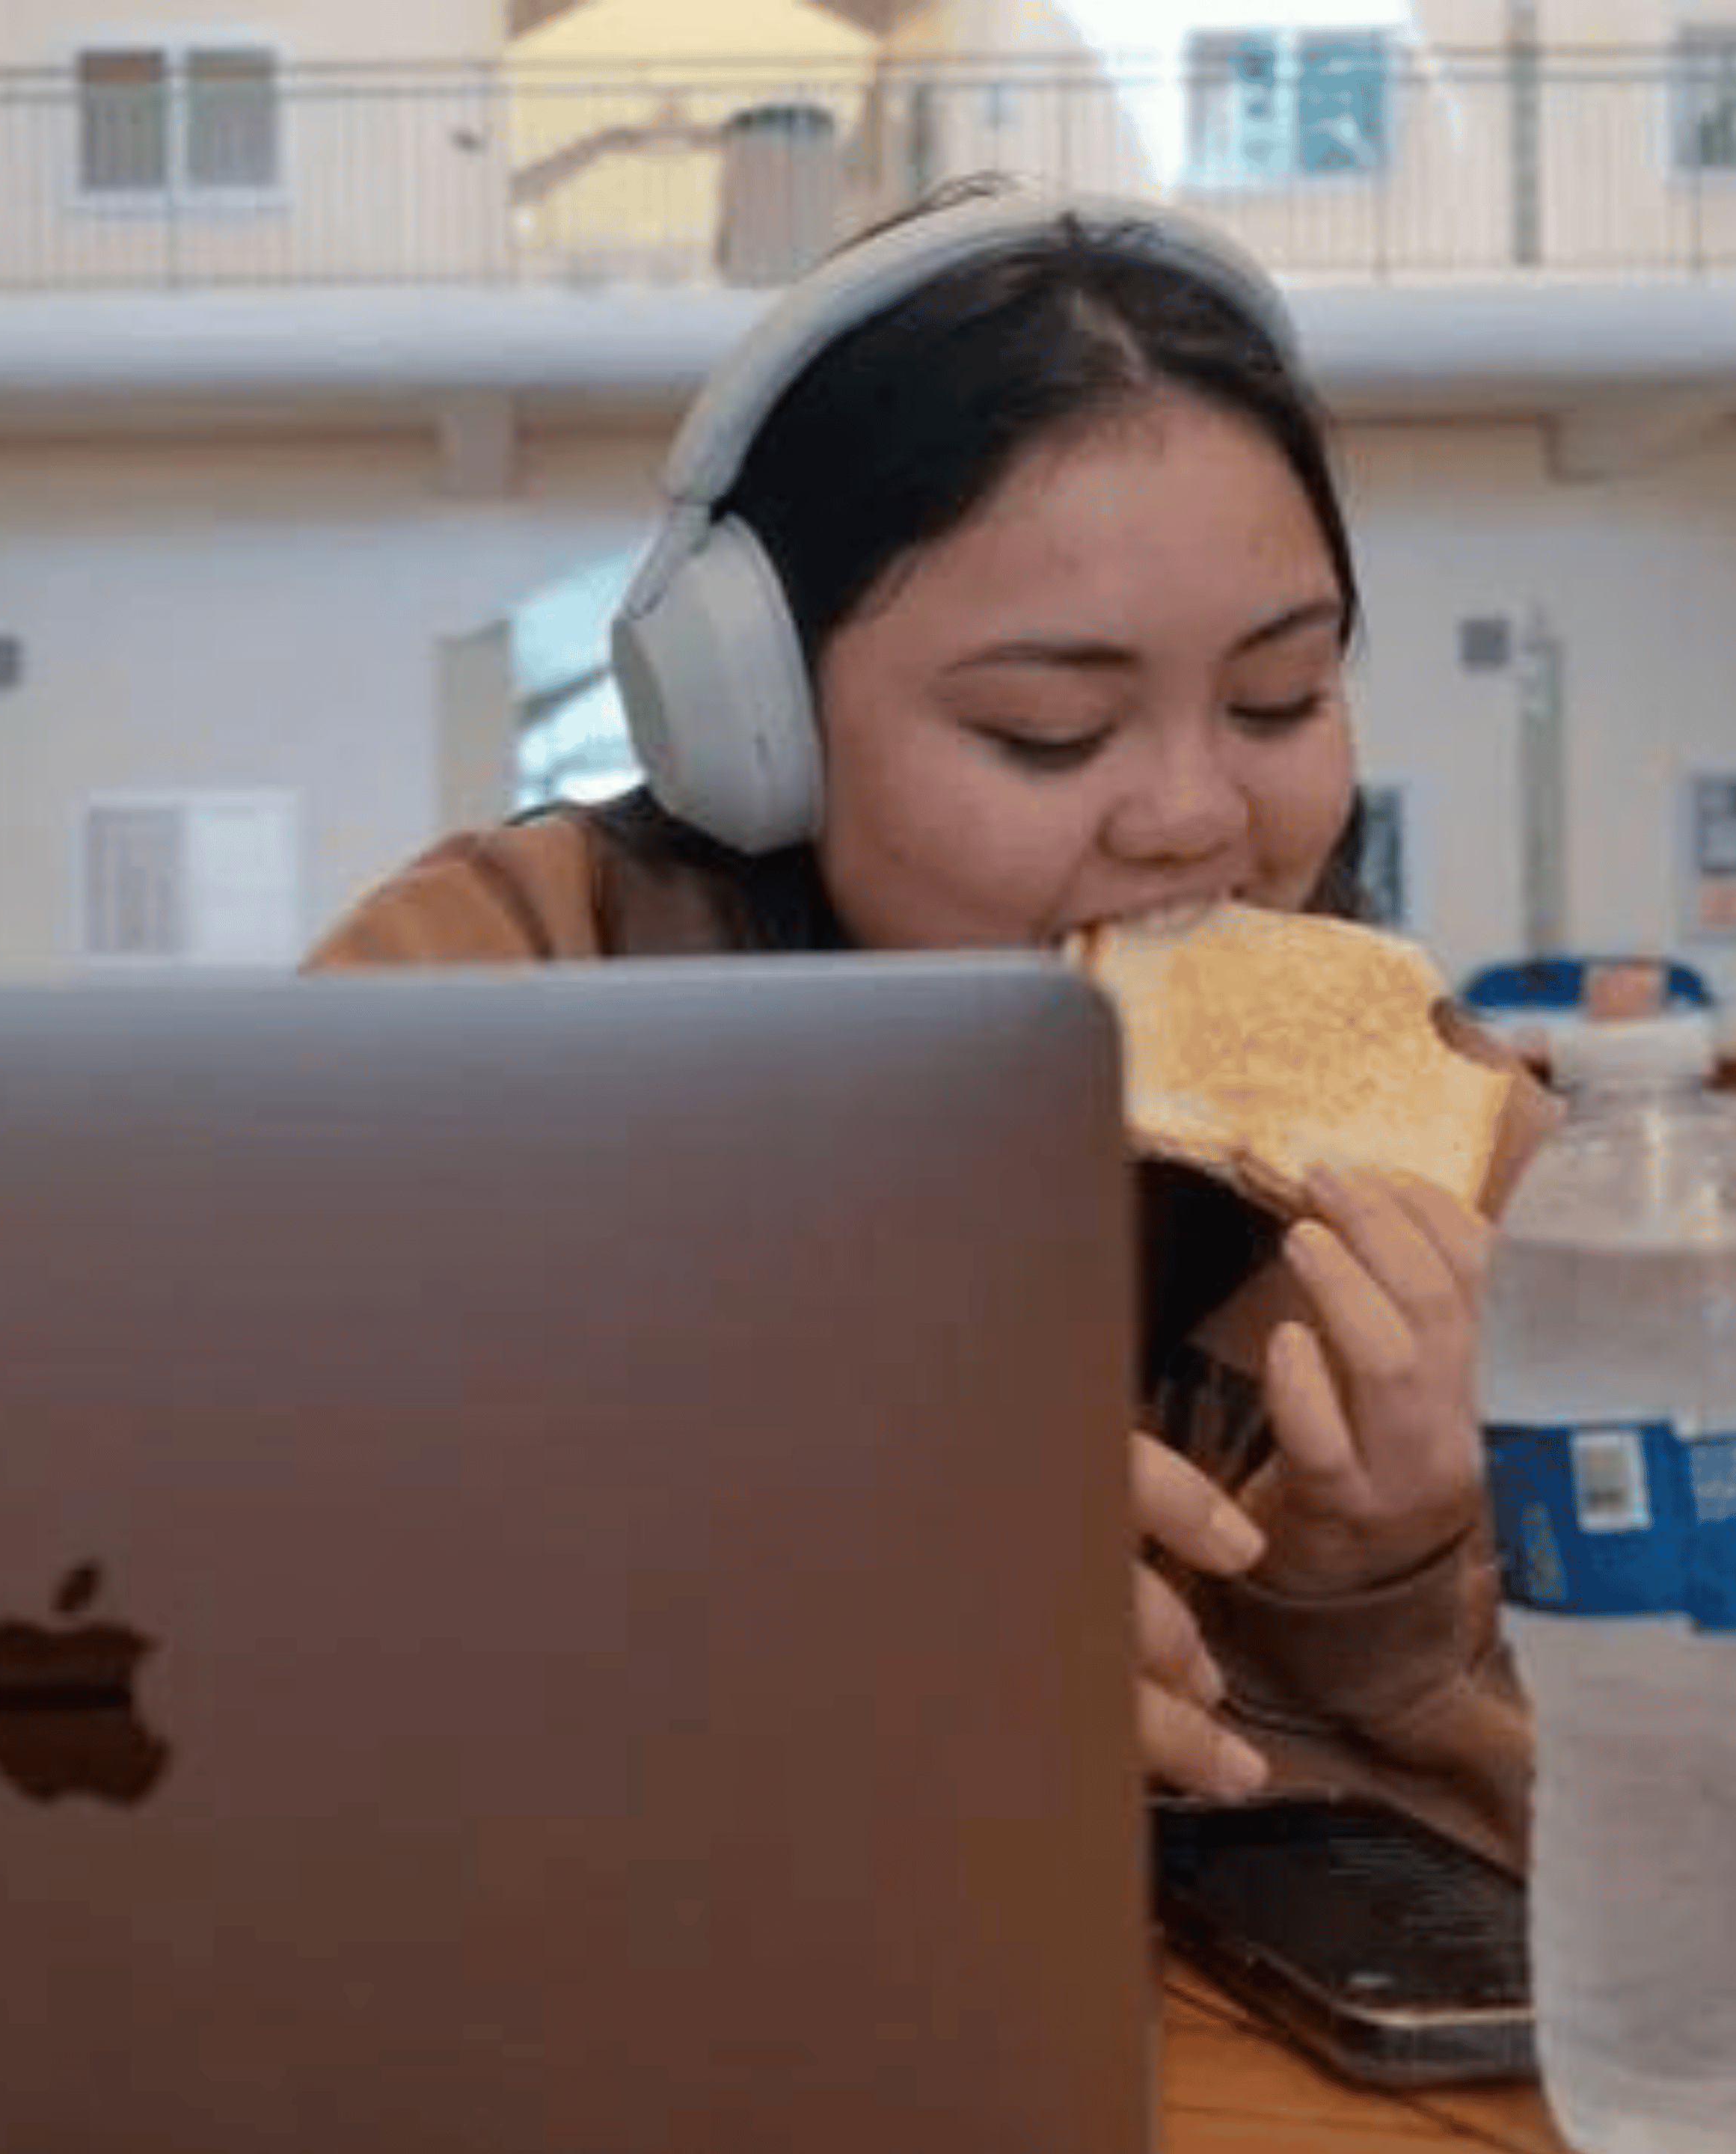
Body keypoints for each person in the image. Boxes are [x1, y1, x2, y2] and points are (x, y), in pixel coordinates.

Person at [307, 177, 1552, 1861]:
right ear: (761, 729)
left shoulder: (1455, 1158)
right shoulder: (496, 986)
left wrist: (1362, 1592)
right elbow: (197, 1609)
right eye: (1049, 730)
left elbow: (1619, 1886)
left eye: (1283, 698)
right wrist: (719, 1605)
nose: (1196, 816)